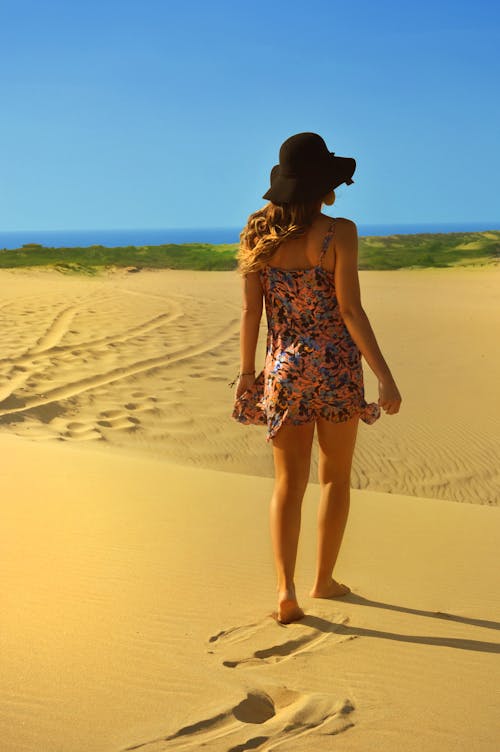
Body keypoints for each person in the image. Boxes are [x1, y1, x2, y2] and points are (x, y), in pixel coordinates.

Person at [231, 132, 402, 624]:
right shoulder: (339, 233)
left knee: (288, 484)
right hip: (337, 368)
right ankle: (323, 581)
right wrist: (384, 377)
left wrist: (248, 374)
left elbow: (250, 312)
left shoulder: (256, 232)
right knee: (335, 479)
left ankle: (285, 589)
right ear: (324, 185)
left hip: (283, 371)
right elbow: (350, 310)